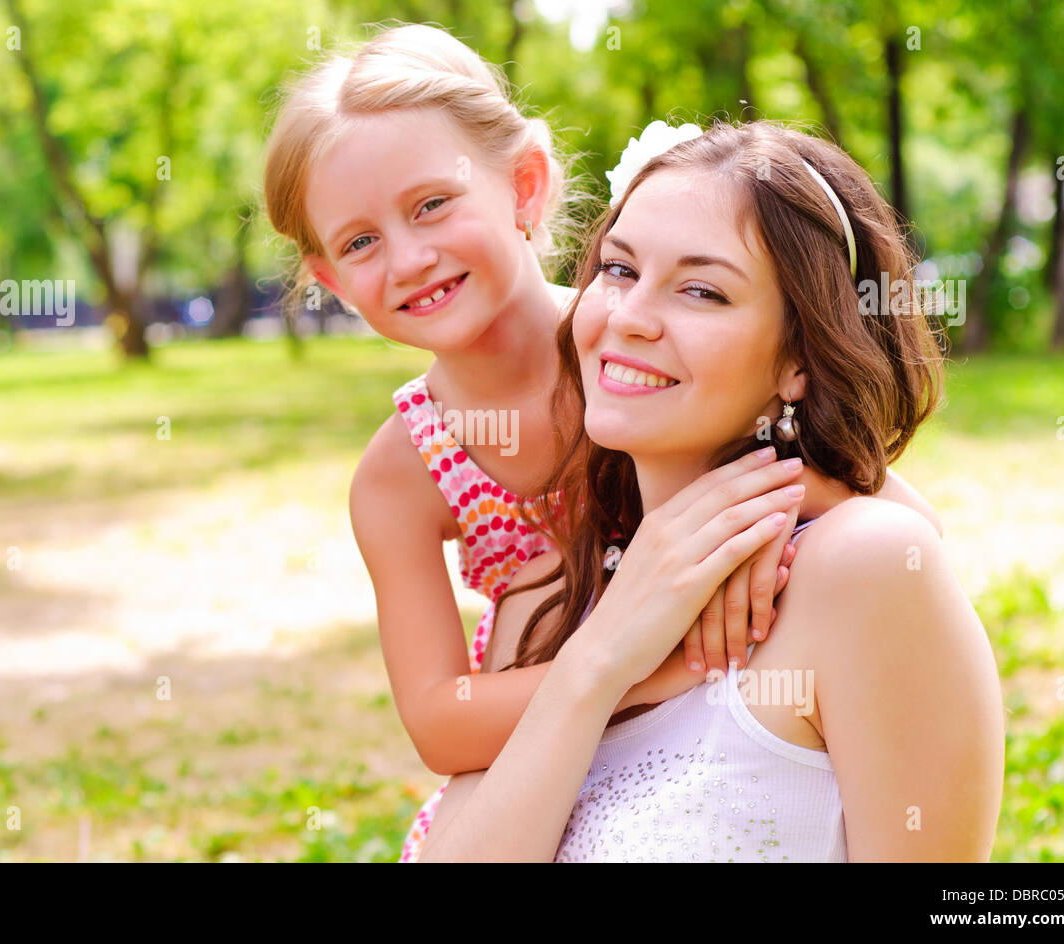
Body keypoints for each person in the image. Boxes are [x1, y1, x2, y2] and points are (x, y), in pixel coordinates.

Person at [263, 23, 941, 863]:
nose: (408, 259)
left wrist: (756, 525)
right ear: (330, 278)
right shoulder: (401, 472)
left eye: (432, 204)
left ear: (525, 185)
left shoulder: (629, 358)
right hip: (541, 749)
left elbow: (897, 522)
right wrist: (654, 656)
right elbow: (438, 719)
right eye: (361, 242)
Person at [418, 119, 1004, 862]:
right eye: (619, 269)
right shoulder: (545, 596)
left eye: (701, 290)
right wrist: (598, 661)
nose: (629, 317)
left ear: (798, 360)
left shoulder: (865, 566)